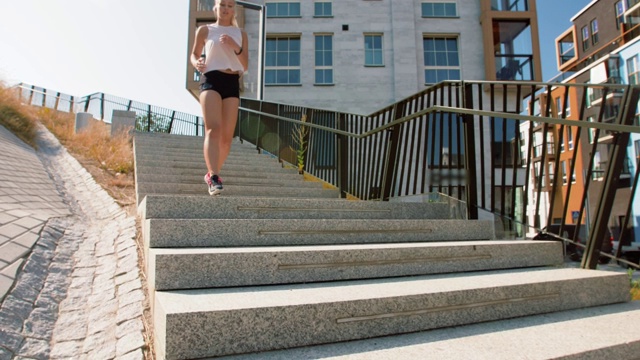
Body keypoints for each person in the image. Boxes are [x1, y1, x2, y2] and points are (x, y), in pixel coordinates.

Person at [190, 0, 248, 195]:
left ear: (234, 9)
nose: (226, 9)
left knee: (226, 140)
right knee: (213, 129)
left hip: (232, 82)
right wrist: (196, 62)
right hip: (211, 79)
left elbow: (245, 65)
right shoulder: (205, 30)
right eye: (222, 4)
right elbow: (194, 54)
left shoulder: (241, 34)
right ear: (216, 7)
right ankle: (214, 176)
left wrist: (234, 46)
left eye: (230, 5)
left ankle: (212, 173)